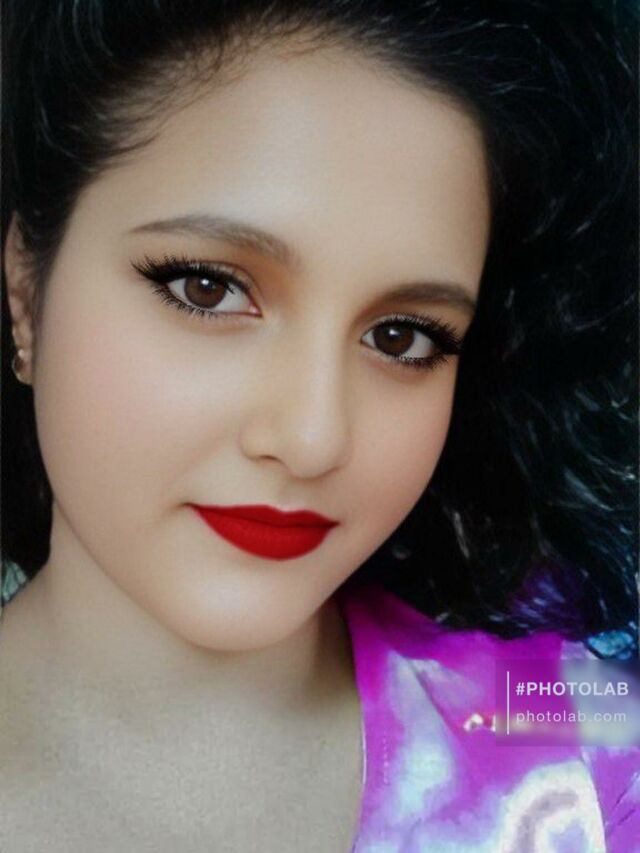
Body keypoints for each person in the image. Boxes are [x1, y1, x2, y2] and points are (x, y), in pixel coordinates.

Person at [1, 1, 638, 850]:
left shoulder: (572, 733)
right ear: (25, 291)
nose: (312, 438)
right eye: (208, 289)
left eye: (401, 337)